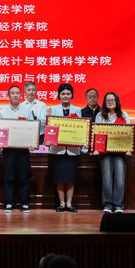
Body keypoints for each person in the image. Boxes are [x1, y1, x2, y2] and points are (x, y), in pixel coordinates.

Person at [47, 83, 85, 212]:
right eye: (63, 93)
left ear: (72, 95)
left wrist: (82, 141)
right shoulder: (53, 109)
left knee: (70, 178)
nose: (65, 96)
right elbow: (51, 127)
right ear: (59, 95)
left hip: (73, 150)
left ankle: (69, 203)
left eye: (68, 93)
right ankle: (62, 203)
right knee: (59, 177)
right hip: (58, 149)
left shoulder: (78, 110)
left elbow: (81, 129)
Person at [0, 85, 34, 213]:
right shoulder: (3, 111)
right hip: (8, 150)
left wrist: (32, 143)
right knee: (8, 177)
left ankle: (24, 203)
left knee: (23, 177)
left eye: (17, 93)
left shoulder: (27, 110)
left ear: (21, 95)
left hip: (23, 149)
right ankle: (9, 203)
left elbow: (31, 128)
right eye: (12, 93)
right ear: (8, 95)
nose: (15, 95)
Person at [94, 92, 131, 213]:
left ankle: (118, 204)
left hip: (120, 151)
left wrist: (128, 148)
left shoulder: (124, 115)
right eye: (107, 100)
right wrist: (96, 148)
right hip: (104, 151)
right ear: (104, 102)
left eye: (112, 100)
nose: (110, 102)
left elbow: (128, 133)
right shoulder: (100, 116)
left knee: (119, 179)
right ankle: (108, 204)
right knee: (107, 179)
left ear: (117, 102)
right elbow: (96, 133)